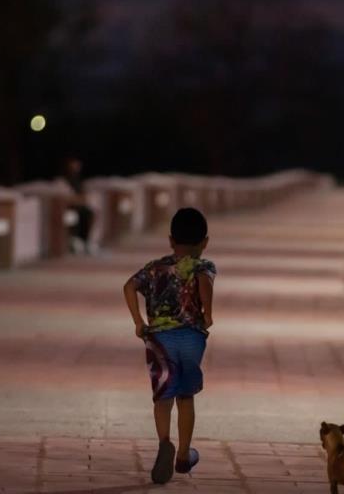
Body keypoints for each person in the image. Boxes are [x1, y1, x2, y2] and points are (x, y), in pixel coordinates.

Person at [123, 207, 215, 484]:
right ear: (205, 242)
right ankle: (184, 453)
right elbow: (204, 284)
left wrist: (138, 322)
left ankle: (165, 442)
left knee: (163, 397)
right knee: (185, 396)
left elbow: (128, 286)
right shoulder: (204, 266)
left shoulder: (154, 268)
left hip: (159, 339)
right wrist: (207, 314)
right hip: (190, 338)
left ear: (170, 240)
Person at [61, 157, 95, 254]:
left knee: (89, 213)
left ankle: (85, 241)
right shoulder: (65, 180)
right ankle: (75, 241)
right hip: (70, 208)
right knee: (73, 217)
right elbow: (67, 196)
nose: (76, 167)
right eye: (73, 164)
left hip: (79, 207)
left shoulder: (78, 180)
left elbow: (82, 195)